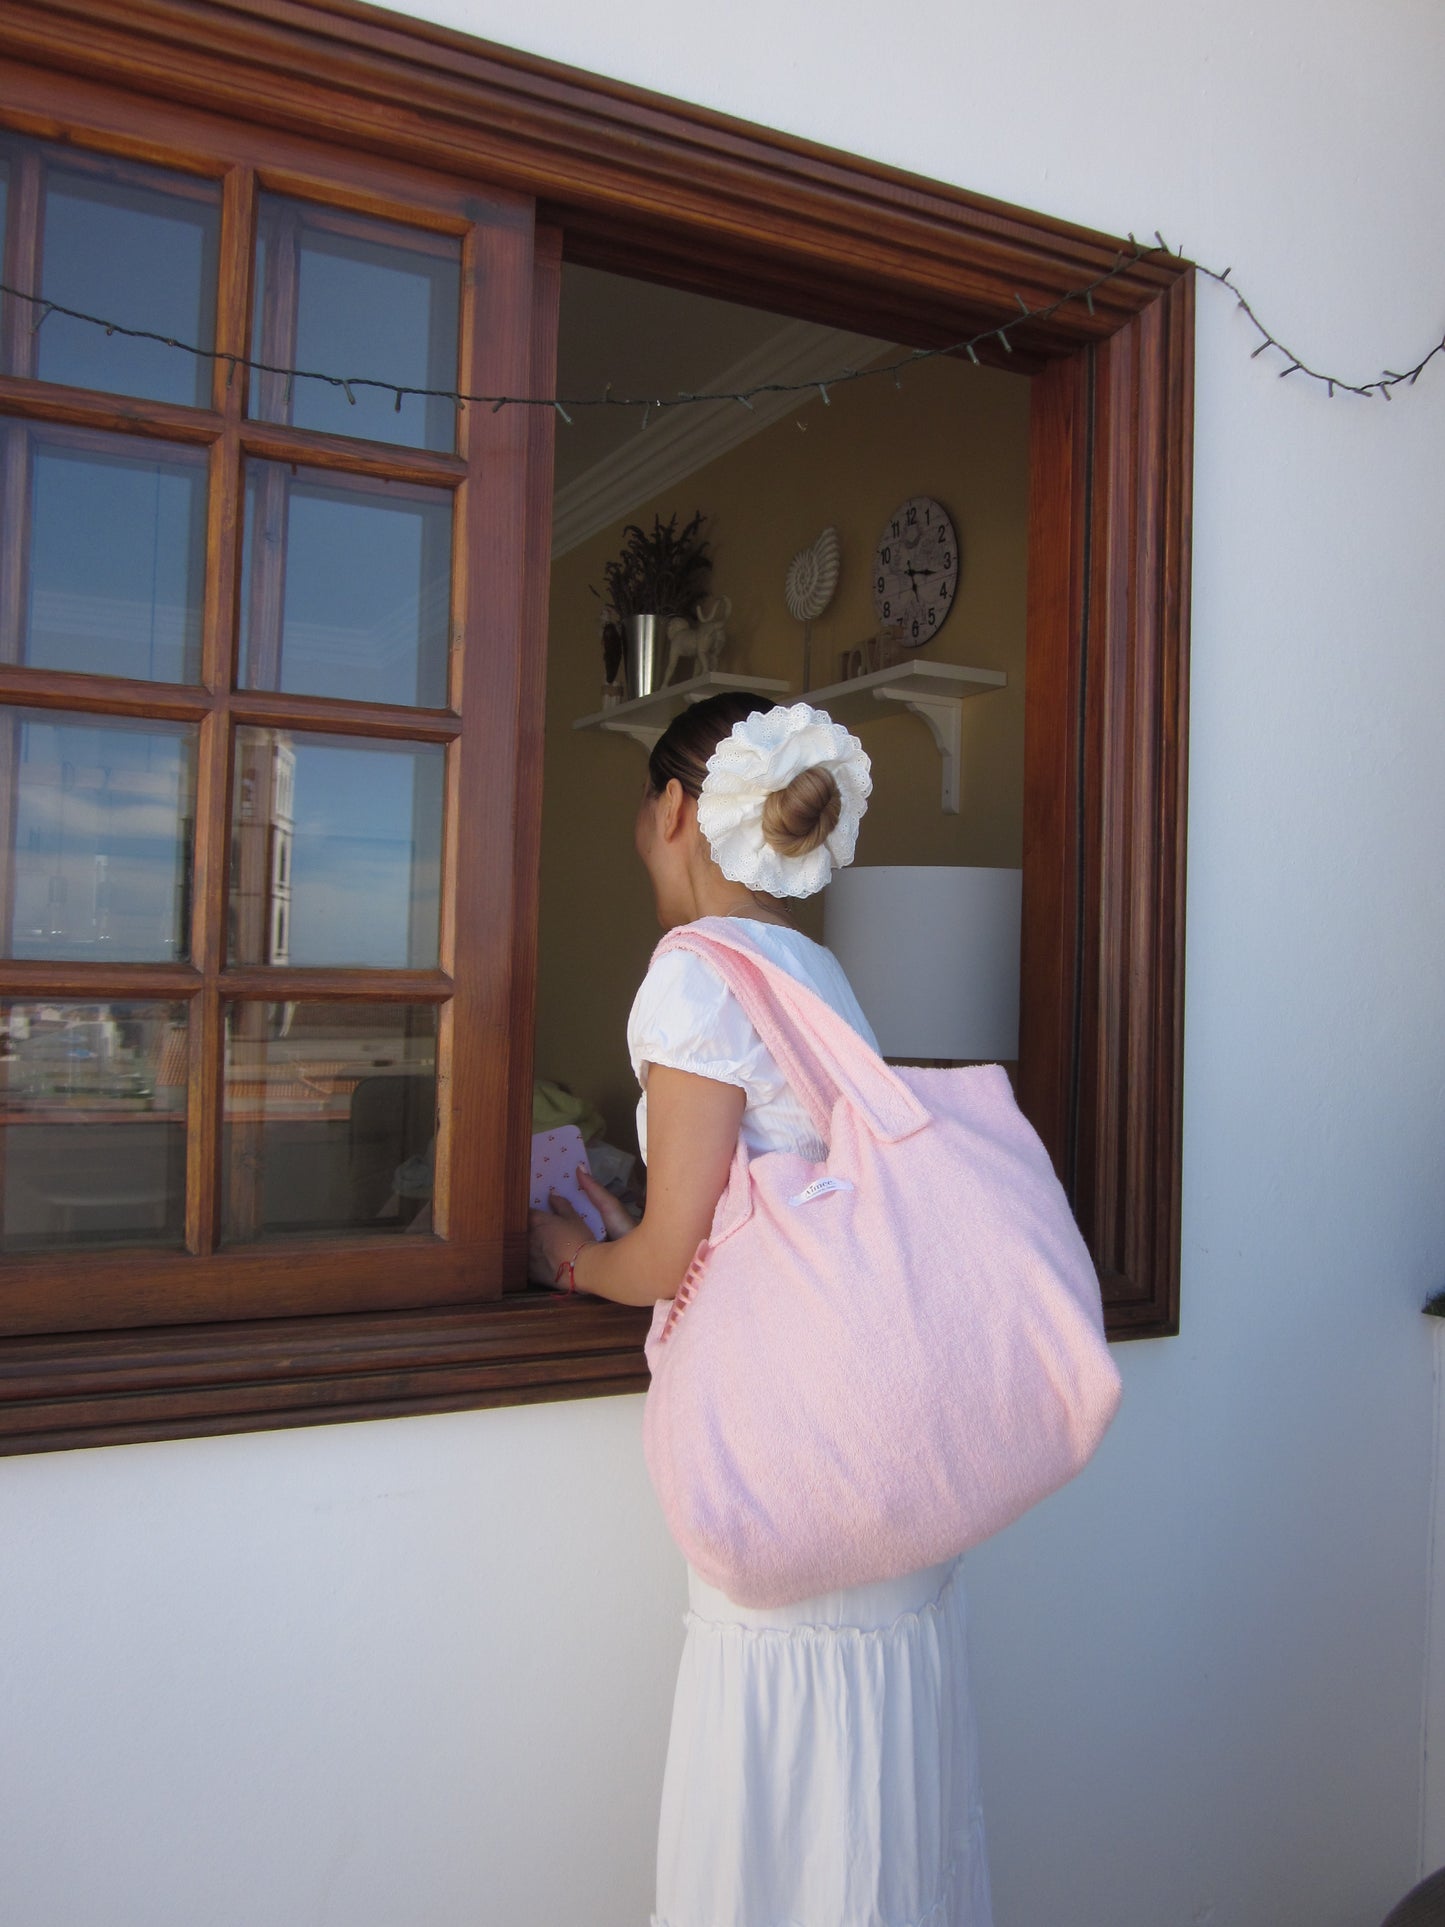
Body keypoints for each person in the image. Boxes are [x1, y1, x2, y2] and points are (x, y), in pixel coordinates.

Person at [528, 693, 994, 1927]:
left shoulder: (690, 975)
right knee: (879, 1815)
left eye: (641, 800)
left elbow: (671, 1246)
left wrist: (572, 1256)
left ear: (674, 809)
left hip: (786, 1473)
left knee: (779, 1811)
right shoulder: (816, 971)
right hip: (883, 1466)